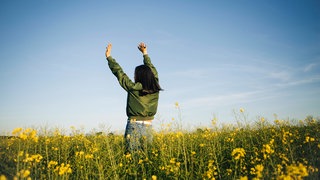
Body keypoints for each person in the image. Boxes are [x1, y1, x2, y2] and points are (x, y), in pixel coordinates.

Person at [105, 42, 162, 154]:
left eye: (135, 74)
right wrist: (145, 54)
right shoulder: (155, 88)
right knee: (146, 157)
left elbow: (119, 73)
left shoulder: (133, 88)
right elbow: (153, 71)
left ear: (139, 76)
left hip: (134, 125)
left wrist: (109, 58)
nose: (134, 76)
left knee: (132, 157)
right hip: (148, 126)